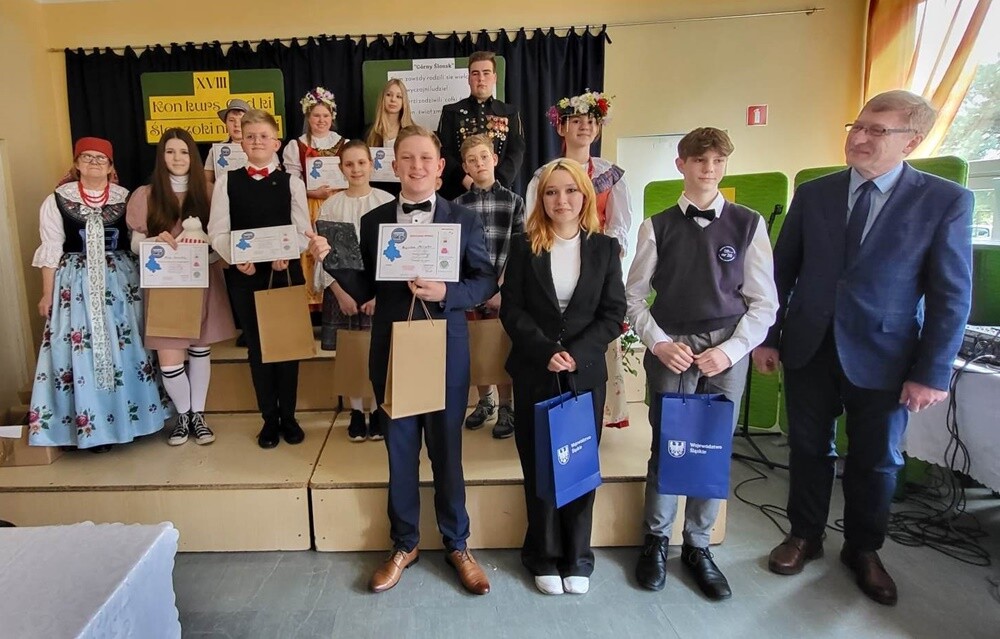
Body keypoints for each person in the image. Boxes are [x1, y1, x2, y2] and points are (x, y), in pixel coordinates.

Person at [753, 90, 973, 606]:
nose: (861, 138)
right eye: (858, 126)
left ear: (912, 142)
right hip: (810, 346)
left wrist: (932, 371)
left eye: (878, 130)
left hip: (887, 355)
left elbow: (951, 294)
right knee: (808, 449)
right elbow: (781, 272)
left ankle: (864, 548)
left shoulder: (944, 200)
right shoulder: (815, 192)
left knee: (876, 460)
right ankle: (804, 535)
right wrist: (768, 336)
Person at [307, 125, 496, 595]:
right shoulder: (373, 222)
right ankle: (404, 543)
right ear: (393, 167)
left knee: (447, 451)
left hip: (446, 349)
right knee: (400, 450)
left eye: (425, 158)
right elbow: (364, 288)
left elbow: (485, 280)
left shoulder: (463, 219)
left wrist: (447, 292)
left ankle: (457, 543)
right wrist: (331, 259)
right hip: (393, 349)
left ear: (440, 166)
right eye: (407, 158)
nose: (416, 166)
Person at [626, 127, 778, 601]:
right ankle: (655, 539)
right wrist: (658, 344)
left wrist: (730, 350)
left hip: (726, 348)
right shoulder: (656, 226)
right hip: (672, 347)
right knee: (669, 445)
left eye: (717, 161)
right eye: (699, 161)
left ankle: (698, 544)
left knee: (712, 447)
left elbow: (764, 303)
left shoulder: (749, 224)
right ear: (681, 165)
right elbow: (633, 299)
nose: (708, 169)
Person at [500, 159, 626, 595]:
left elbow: (613, 313)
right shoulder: (523, 247)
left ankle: (577, 557)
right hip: (535, 370)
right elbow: (511, 309)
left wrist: (577, 353)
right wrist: (546, 351)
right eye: (552, 192)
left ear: (585, 195)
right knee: (539, 467)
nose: (561, 200)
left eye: (570, 190)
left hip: (584, 374)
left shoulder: (605, 248)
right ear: (542, 199)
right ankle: (543, 555)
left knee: (580, 466)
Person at [28, 137, 169, 451]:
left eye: (100, 158)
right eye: (87, 157)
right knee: (80, 350)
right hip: (75, 285)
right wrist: (47, 294)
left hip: (120, 284)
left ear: (110, 166)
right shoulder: (57, 200)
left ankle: (131, 421)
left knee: (126, 347)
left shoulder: (125, 198)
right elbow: (51, 250)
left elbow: (138, 240)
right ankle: (87, 427)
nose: (94, 163)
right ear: (76, 164)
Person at [527, 90, 633, 429]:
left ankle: (597, 412)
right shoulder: (543, 176)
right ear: (561, 127)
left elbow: (620, 225)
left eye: (590, 121)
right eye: (575, 121)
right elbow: (533, 225)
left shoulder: (610, 174)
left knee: (593, 348)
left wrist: (598, 258)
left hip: (596, 268)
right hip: (550, 258)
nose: (584, 126)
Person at [127, 127, 236, 446]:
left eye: (184, 151)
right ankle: (183, 415)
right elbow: (134, 245)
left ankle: (198, 416)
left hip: (202, 283)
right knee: (170, 359)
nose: (177, 158)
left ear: (194, 156)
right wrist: (155, 243)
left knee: (200, 350)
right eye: (170, 151)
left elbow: (223, 240)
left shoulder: (211, 192)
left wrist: (205, 250)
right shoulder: (145, 195)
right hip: (164, 287)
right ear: (161, 157)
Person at [208, 110, 311, 449]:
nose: (257, 142)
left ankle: (289, 416)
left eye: (264, 136)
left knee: (287, 347)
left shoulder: (292, 183)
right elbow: (217, 230)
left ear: (276, 143)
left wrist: (289, 252)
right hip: (246, 275)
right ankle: (269, 418)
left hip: (284, 273)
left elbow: (302, 231)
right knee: (257, 348)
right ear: (241, 142)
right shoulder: (227, 182)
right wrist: (237, 258)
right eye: (250, 136)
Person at [314, 140, 394, 442]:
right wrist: (339, 291)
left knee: (377, 351)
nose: (356, 169)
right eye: (349, 164)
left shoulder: (386, 202)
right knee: (350, 354)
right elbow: (322, 255)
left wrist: (379, 295)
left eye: (362, 162)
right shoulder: (331, 206)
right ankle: (357, 412)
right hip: (342, 291)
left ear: (372, 164)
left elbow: (393, 255)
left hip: (379, 292)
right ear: (341, 168)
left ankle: (376, 409)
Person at [454, 134, 525, 439]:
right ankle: (485, 402)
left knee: (501, 346)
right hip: (470, 290)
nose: (479, 163)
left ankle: (507, 405)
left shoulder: (513, 202)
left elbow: (519, 249)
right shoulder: (457, 206)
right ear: (465, 167)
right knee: (477, 347)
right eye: (472, 160)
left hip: (502, 290)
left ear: (495, 159)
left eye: (484, 157)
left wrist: (501, 288)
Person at [283, 87, 346, 309]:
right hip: (309, 206)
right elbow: (292, 184)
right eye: (316, 115)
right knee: (311, 251)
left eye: (326, 115)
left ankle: (338, 300)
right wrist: (313, 193)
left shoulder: (344, 143)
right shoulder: (296, 146)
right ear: (308, 117)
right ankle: (312, 302)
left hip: (337, 204)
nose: (321, 120)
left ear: (332, 117)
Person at [437, 51, 525, 200]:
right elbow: (444, 151)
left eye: (486, 73)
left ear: (495, 78)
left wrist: (497, 183)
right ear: (469, 79)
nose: (481, 78)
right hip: (459, 192)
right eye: (475, 73)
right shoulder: (451, 112)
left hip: (500, 191)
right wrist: (465, 180)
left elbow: (517, 152)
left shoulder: (509, 113)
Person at [365, 79, 415, 198]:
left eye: (399, 96)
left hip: (404, 192)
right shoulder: (368, 132)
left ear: (404, 102)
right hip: (375, 193)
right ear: (382, 98)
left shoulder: (412, 132)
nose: (393, 99)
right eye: (389, 95)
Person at [204, 98, 250, 184]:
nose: (236, 124)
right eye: (231, 120)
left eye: (241, 120)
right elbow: (207, 181)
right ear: (226, 123)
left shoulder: (260, 146)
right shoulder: (215, 150)